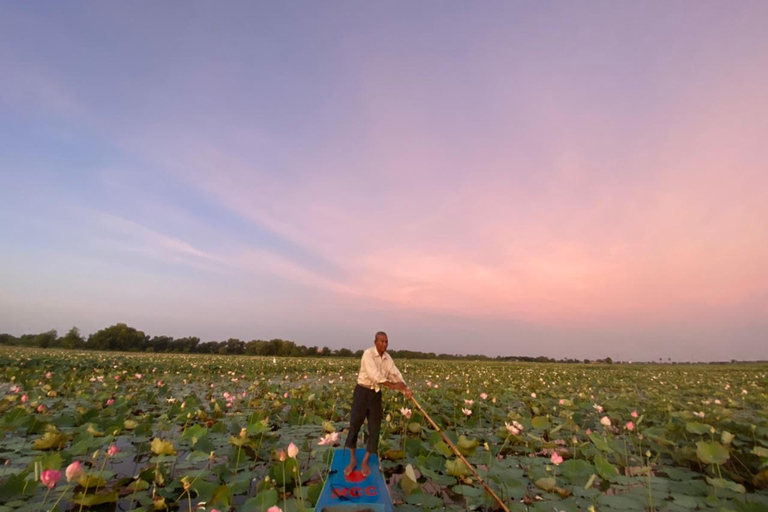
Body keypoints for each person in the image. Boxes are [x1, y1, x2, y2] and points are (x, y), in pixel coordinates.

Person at [344, 331, 411, 476]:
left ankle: (365, 461)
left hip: (375, 394)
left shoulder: (387, 358)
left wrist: (405, 388)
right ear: (375, 342)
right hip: (362, 391)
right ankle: (352, 459)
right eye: (382, 341)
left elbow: (395, 374)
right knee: (355, 423)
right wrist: (392, 386)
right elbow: (375, 375)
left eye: (387, 342)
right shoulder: (368, 354)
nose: (384, 344)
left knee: (375, 427)